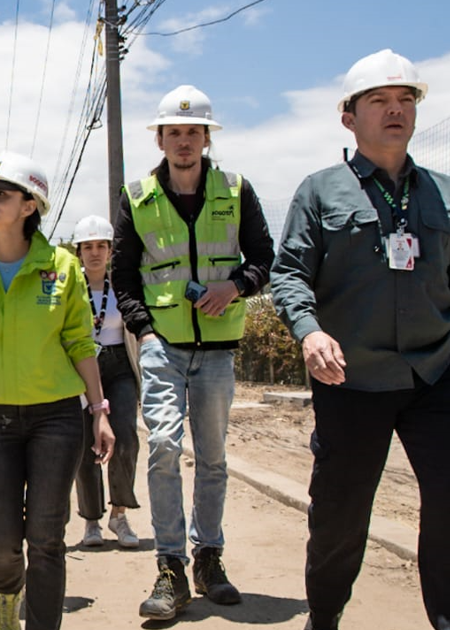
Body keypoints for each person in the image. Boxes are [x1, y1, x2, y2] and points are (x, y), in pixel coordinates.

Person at [271, 49, 450, 630]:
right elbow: (290, 272)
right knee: (341, 516)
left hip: (436, 374)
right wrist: (310, 331)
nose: (395, 111)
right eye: (378, 101)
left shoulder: (443, 193)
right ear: (349, 117)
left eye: (405, 100)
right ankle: (324, 616)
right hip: (349, 377)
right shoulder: (321, 191)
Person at [111, 84, 274, 621]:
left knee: (213, 458)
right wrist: (145, 332)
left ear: (207, 138)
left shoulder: (236, 188)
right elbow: (124, 275)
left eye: (193, 132)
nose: (184, 141)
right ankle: (171, 567)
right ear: (159, 139)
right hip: (162, 346)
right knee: (162, 446)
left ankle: (209, 557)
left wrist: (236, 286)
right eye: (174, 132)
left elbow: (265, 258)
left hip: (218, 348)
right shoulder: (136, 196)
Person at [0, 152, 114, 630]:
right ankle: (9, 597)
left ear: (30, 205)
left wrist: (99, 410)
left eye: (1, 193)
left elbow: (80, 341)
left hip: (56, 418)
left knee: (47, 537)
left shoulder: (62, 266)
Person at [71, 215, 141, 549]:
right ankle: (91, 520)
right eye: (88, 246)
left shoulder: (124, 285)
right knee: (86, 444)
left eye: (101, 246)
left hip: (119, 366)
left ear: (111, 250)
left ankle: (120, 513)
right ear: (78, 252)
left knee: (125, 435)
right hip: (83, 369)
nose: (95, 253)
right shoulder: (69, 287)